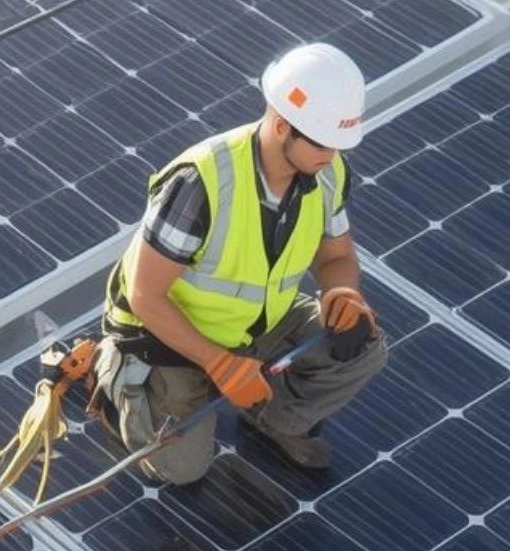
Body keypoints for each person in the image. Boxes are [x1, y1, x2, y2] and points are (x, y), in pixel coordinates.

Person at [91, 42, 388, 483]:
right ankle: (117, 375)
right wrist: (219, 363)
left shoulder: (327, 172)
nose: (332, 155)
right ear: (283, 125)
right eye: (324, 143)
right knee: (181, 470)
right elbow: (144, 295)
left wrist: (342, 292)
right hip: (166, 335)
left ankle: (274, 419)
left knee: (362, 346)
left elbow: (337, 254)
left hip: (253, 325)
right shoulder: (202, 182)